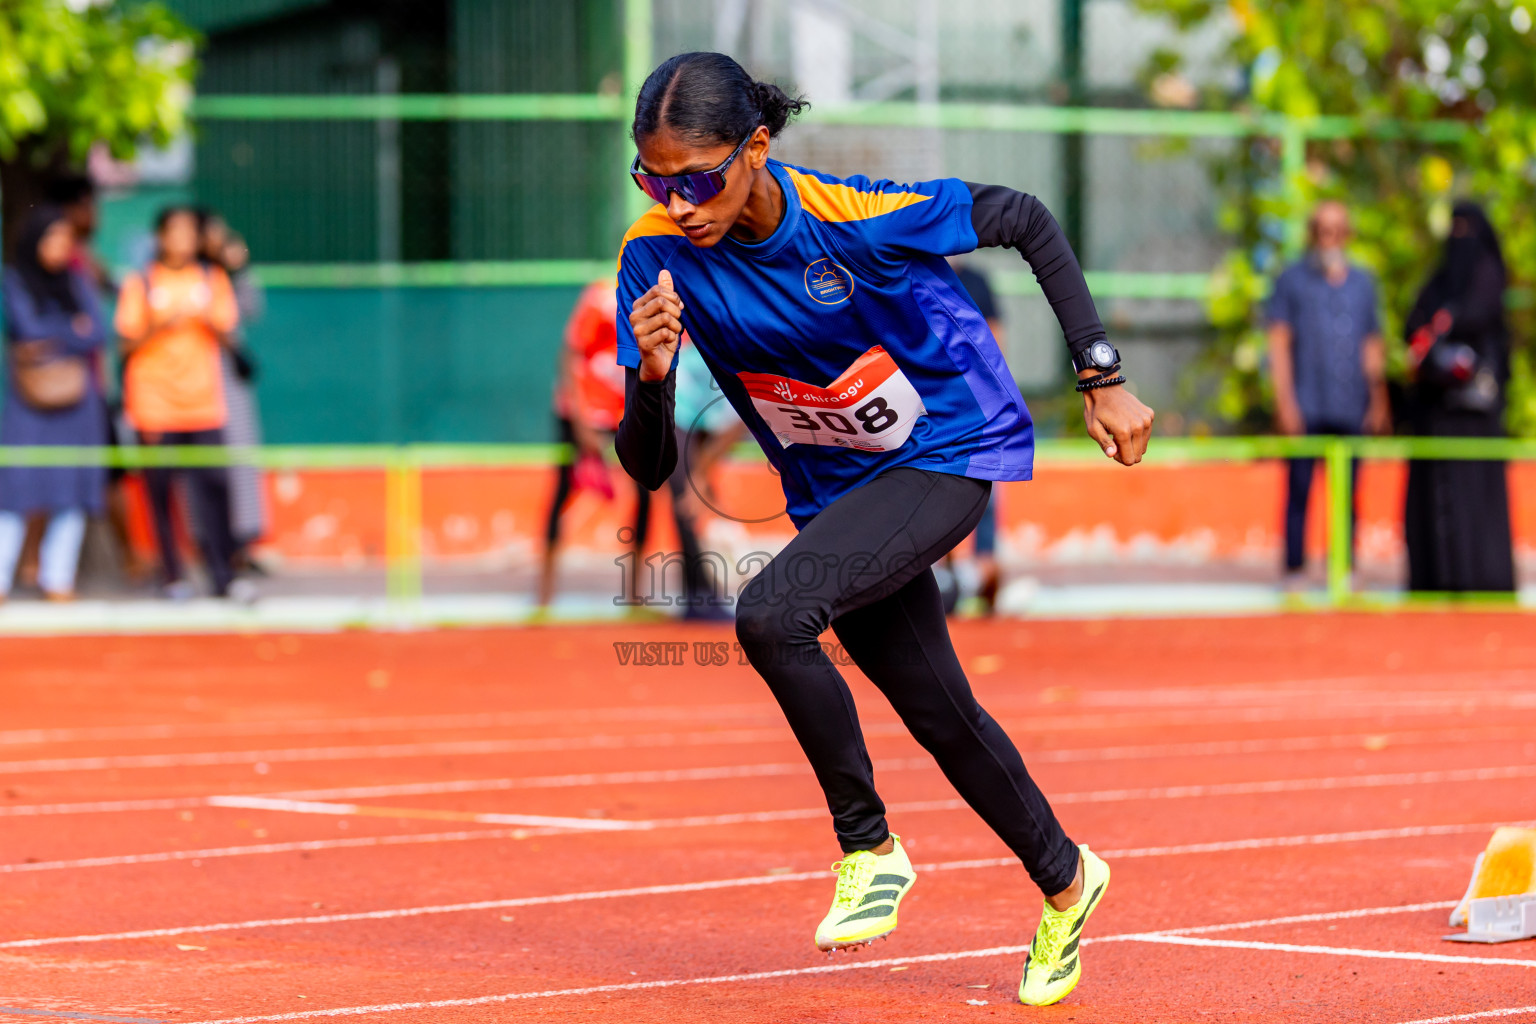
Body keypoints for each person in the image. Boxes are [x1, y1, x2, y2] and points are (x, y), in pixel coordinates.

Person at [613, 52, 1153, 1006]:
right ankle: (1069, 880)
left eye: (699, 178)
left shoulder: (850, 215)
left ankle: (870, 848)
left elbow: (1025, 217)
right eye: (654, 179)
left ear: (758, 148)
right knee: (940, 712)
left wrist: (1100, 378)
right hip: (842, 492)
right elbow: (650, 469)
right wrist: (653, 376)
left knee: (773, 614)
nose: (679, 202)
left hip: (949, 447)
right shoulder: (654, 257)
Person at [115, 206, 248, 601]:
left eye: (191, 233)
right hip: (155, 402)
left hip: (203, 403)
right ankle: (173, 576)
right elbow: (125, 343)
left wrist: (206, 319)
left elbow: (231, 336)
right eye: (176, 232)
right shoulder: (141, 282)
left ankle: (224, 574)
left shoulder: (211, 278)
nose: (184, 240)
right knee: (160, 491)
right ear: (161, 237)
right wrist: (160, 323)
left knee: (214, 488)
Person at [1266, 200, 1390, 585]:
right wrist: (1284, 400)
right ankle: (1295, 569)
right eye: (1322, 229)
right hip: (1308, 401)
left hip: (1350, 402)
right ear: (1312, 233)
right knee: (1300, 489)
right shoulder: (1292, 280)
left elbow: (1372, 344)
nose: (1330, 237)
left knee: (1348, 492)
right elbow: (1279, 342)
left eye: (1337, 229)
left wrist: (1379, 398)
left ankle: (1344, 568)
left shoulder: (1363, 282)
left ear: (1347, 233)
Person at [1402, 201, 1516, 593]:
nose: (1459, 239)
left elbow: (1481, 319)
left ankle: (1480, 577)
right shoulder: (1437, 285)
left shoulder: (1486, 277)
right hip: (1436, 414)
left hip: (1477, 416)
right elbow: (1415, 327)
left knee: (1475, 503)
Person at [0, 207, 109, 602]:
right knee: (14, 489)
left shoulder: (76, 281)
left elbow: (96, 332)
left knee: (72, 488)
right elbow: (26, 328)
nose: (60, 248)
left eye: (66, 240)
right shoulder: (14, 280)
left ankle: (58, 578)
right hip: (29, 400)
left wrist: (50, 341)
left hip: (77, 402)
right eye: (53, 238)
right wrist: (70, 330)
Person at [539, 278, 651, 609]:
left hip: (625, 412)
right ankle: (544, 594)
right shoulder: (601, 296)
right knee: (562, 492)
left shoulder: (662, 296)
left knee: (645, 495)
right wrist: (580, 419)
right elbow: (570, 354)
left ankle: (635, 595)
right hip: (582, 411)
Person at [198, 208, 268, 570]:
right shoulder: (190, 279)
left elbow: (252, 309)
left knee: (240, 461)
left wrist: (240, 269)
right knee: (206, 471)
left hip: (229, 385)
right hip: (196, 386)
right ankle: (212, 544)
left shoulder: (227, 278)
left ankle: (240, 543)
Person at [950, 259, 1004, 612]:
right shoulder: (909, 267)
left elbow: (996, 339)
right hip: (935, 397)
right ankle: (949, 572)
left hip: (975, 396)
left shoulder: (977, 280)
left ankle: (985, 565)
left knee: (984, 482)